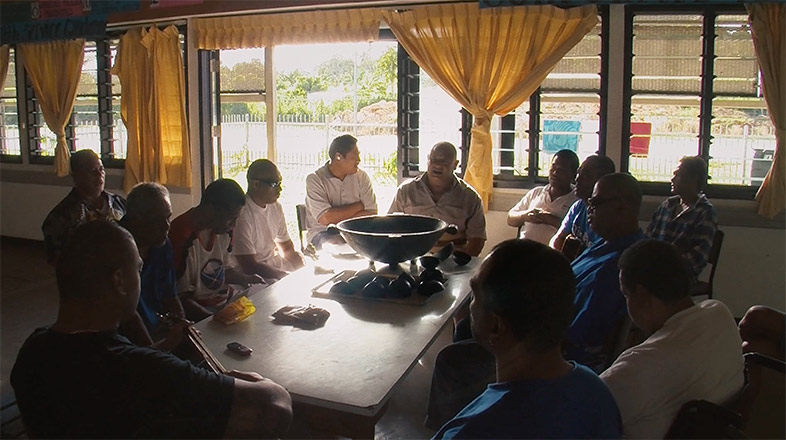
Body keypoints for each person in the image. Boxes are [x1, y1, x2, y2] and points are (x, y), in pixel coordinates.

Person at [10, 221, 293, 438]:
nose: (140, 280)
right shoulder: (144, 370)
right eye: (138, 270)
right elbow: (275, 405)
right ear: (120, 281)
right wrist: (257, 380)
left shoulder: (30, 354)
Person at [431, 239, 621, 439]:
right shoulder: (597, 392)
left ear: (496, 327)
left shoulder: (470, 431)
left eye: (475, 295)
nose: (470, 305)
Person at [601, 239, 744, 439]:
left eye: (626, 295)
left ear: (641, 295)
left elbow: (578, 414)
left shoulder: (638, 366)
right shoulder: (720, 315)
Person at [566, 173, 646, 371]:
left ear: (621, 207)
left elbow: (579, 335)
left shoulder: (619, 266)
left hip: (564, 360)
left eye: (595, 202)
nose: (589, 208)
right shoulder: (603, 245)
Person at [169, 178, 260, 321]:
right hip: (200, 309)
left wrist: (245, 279)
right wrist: (213, 320)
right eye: (231, 218)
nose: (234, 225)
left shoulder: (224, 231)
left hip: (224, 301)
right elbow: (181, 298)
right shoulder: (181, 235)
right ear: (210, 210)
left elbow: (222, 271)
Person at [118, 182, 186, 350]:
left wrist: (183, 326)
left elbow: (170, 296)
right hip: (125, 339)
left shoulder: (162, 245)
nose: (167, 226)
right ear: (136, 220)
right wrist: (157, 351)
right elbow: (128, 315)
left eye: (168, 218)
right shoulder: (116, 248)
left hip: (158, 330)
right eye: (158, 220)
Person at [388, 141, 486, 256]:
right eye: (433, 160)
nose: (437, 166)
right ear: (428, 160)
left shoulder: (470, 197)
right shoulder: (405, 191)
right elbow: (390, 226)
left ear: (455, 164)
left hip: (453, 259)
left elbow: (477, 238)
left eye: (444, 162)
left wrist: (463, 262)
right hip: (412, 257)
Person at [41, 149, 126, 264]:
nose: (99, 175)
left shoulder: (119, 203)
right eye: (92, 171)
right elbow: (57, 259)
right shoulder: (62, 216)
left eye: (101, 169)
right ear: (76, 176)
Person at [231, 159, 304, 282]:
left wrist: (302, 267)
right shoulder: (242, 213)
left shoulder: (276, 207)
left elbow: (287, 248)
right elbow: (249, 265)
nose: (280, 189)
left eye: (280, 183)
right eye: (274, 184)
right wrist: (285, 277)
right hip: (255, 276)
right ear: (255, 184)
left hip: (275, 267)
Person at [646, 156, 718, 278]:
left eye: (678, 175)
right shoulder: (667, 206)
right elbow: (647, 239)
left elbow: (698, 258)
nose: (672, 179)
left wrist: (667, 265)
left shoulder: (704, 212)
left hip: (679, 276)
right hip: (654, 270)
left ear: (693, 179)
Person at [305, 134, 377, 248]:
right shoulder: (315, 179)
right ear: (338, 157)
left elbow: (372, 213)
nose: (359, 160)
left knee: (376, 244)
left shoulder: (362, 177)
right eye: (354, 156)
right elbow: (325, 219)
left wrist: (336, 216)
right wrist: (358, 206)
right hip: (322, 233)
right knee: (336, 244)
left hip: (355, 231)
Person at [550, 154, 616, 258]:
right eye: (578, 173)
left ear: (601, 181)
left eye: (585, 175)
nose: (577, 179)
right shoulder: (578, 206)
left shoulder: (608, 220)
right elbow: (558, 239)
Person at [507, 149, 579, 245]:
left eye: (561, 170)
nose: (555, 173)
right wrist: (526, 216)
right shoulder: (536, 192)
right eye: (553, 167)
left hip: (552, 252)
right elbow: (510, 219)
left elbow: (577, 232)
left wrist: (549, 219)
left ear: (573, 175)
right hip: (524, 248)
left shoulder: (577, 200)